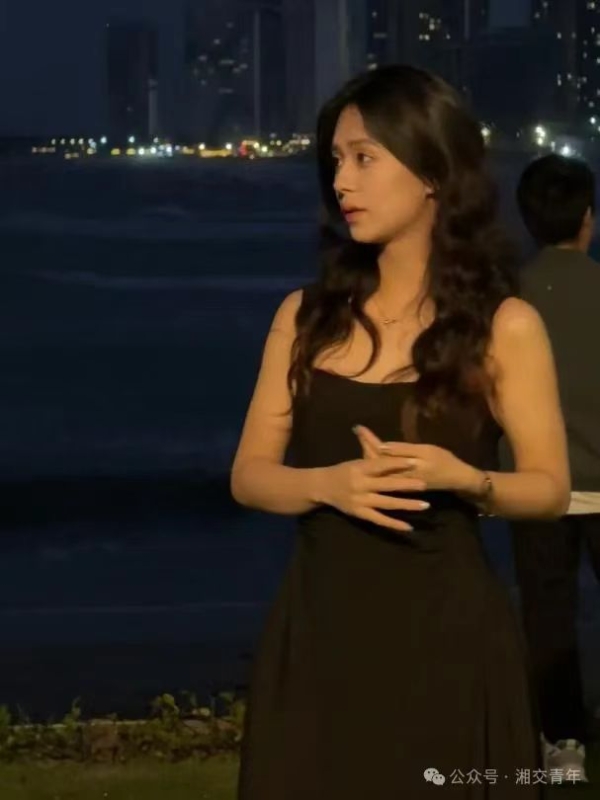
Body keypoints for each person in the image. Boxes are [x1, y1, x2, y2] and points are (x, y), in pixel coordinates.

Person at [230, 65, 570, 799]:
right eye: (335, 161)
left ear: (432, 174)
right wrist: (329, 484)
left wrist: (466, 480)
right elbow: (249, 475)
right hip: (319, 636)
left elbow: (548, 489)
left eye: (364, 158)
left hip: (449, 641)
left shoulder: (505, 327)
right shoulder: (303, 318)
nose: (341, 182)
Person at [511, 153, 600, 782]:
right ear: (588, 218)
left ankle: (564, 743)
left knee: (548, 613)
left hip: (537, 485)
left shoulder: (509, 299)